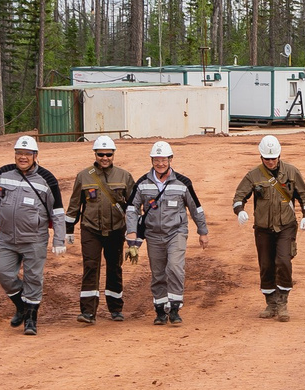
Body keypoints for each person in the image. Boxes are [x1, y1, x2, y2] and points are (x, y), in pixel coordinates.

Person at [0, 134, 67, 336]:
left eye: (27, 154)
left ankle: (31, 321)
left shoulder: (47, 179)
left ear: (35, 155)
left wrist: (59, 239)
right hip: (6, 239)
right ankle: (21, 306)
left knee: (33, 278)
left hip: (34, 239)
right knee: (2, 274)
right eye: (19, 153)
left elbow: (58, 212)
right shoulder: (2, 174)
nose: (22, 157)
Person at [230, 134, 305, 320]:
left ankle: (283, 303)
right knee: (266, 265)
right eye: (267, 158)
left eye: (273, 158)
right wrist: (240, 210)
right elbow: (239, 196)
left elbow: (304, 196)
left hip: (286, 226)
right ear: (261, 157)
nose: (270, 161)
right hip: (263, 228)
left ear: (279, 155)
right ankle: (271, 303)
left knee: (283, 261)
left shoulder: (291, 172)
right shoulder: (253, 175)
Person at [124, 140, 207, 325]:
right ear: (151, 160)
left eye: (164, 160)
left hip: (176, 232)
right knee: (158, 273)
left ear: (171, 159)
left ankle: (175, 308)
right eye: (156, 160)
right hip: (153, 235)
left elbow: (196, 208)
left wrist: (203, 231)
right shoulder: (142, 183)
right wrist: (131, 233)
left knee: (175, 267)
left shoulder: (183, 183)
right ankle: (160, 310)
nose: (160, 163)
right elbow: (132, 209)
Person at [65, 134, 136, 324]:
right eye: (101, 154)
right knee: (90, 267)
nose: (105, 158)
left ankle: (115, 308)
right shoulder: (83, 176)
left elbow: (133, 207)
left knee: (114, 267)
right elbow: (74, 205)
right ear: (95, 154)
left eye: (108, 154)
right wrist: (69, 229)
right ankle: (88, 311)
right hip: (91, 229)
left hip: (116, 230)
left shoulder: (125, 176)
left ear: (114, 155)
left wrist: (133, 232)